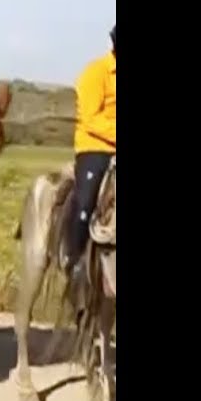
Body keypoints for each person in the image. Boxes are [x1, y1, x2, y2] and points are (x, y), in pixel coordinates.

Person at [65, 24, 116, 305]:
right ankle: (74, 259)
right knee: (86, 200)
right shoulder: (95, 73)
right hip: (95, 147)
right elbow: (90, 117)